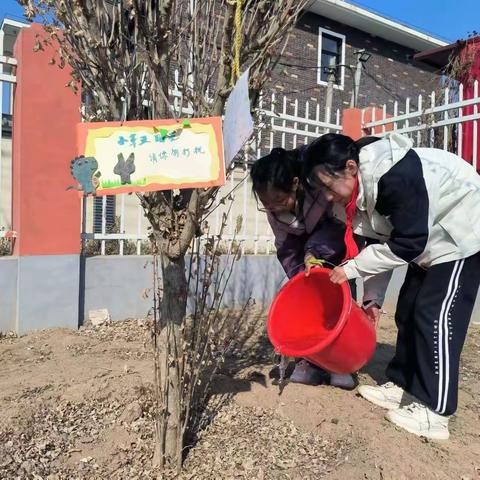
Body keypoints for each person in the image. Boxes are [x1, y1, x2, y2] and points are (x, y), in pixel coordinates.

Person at [302, 132, 480, 440]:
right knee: (409, 308)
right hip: (432, 239)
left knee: (434, 315)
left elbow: (408, 244)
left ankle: (435, 412)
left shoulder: (394, 176)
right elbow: (377, 248)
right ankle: (402, 384)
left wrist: (351, 270)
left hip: (462, 231)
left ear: (350, 168)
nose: (328, 197)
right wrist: (373, 301)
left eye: (329, 187)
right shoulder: (361, 194)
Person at [250, 147, 356, 390]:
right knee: (309, 309)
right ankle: (311, 361)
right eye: (266, 204)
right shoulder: (274, 212)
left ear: (295, 183)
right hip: (305, 260)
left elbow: (340, 228)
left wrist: (315, 252)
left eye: (278, 200)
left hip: (335, 256)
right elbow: (286, 247)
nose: (273, 207)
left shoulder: (323, 191)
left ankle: (342, 364)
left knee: (340, 304)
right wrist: (300, 279)